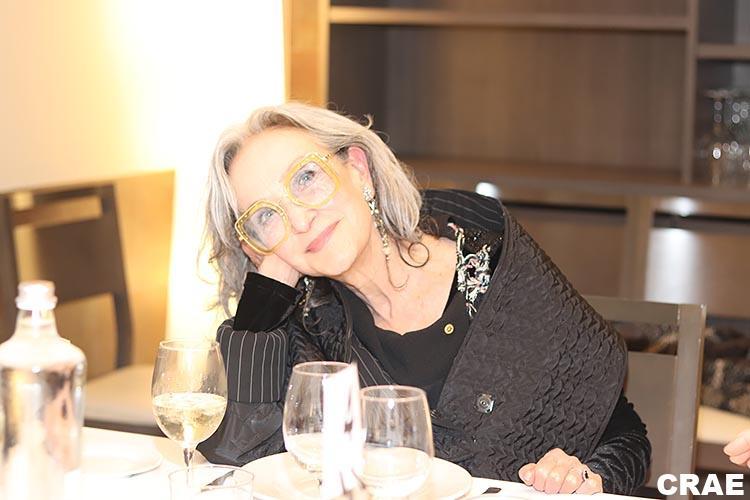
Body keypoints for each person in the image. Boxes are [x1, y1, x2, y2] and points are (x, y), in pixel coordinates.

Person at [197, 102, 651, 495]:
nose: (299, 220)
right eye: (266, 216)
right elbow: (237, 462)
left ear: (358, 169)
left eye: (306, 178)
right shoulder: (311, 324)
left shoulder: (495, 271)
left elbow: (625, 438)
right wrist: (266, 294)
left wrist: (585, 475)